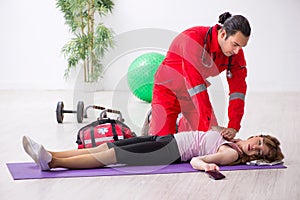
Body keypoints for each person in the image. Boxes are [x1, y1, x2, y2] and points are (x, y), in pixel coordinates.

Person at [150, 12, 251, 140]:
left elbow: (238, 91)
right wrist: (211, 123)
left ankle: (181, 122)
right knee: (163, 145)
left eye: (241, 47)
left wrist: (233, 126)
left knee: (210, 138)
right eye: (235, 44)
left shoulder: (235, 54)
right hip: (167, 91)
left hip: (191, 98)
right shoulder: (193, 39)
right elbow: (195, 84)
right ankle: (155, 119)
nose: (237, 51)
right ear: (223, 33)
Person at [22, 127, 284, 172]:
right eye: (260, 142)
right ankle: (51, 153)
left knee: (108, 156)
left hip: (169, 151)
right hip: (166, 140)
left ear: (254, 158)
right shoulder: (234, 140)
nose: (256, 147)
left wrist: (205, 165)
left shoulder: (232, 154)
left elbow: (198, 160)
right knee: (106, 145)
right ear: (256, 135)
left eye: (260, 153)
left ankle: (52, 163)